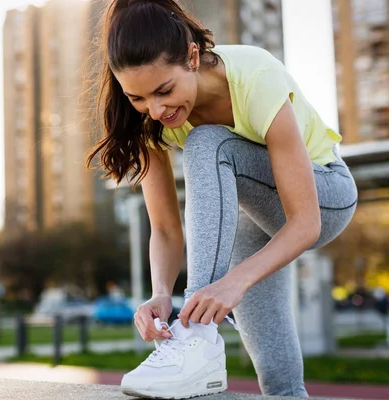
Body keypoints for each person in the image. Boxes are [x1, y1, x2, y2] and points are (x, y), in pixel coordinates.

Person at [86, 0, 358, 398]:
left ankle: (194, 338)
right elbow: (163, 227)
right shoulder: (148, 121)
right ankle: (202, 336)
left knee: (207, 142)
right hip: (255, 218)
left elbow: (306, 223)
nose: (156, 109)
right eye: (138, 98)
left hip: (326, 196)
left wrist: (233, 283)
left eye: (164, 90)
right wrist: (161, 292)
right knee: (280, 382)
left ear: (193, 57)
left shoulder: (255, 76)